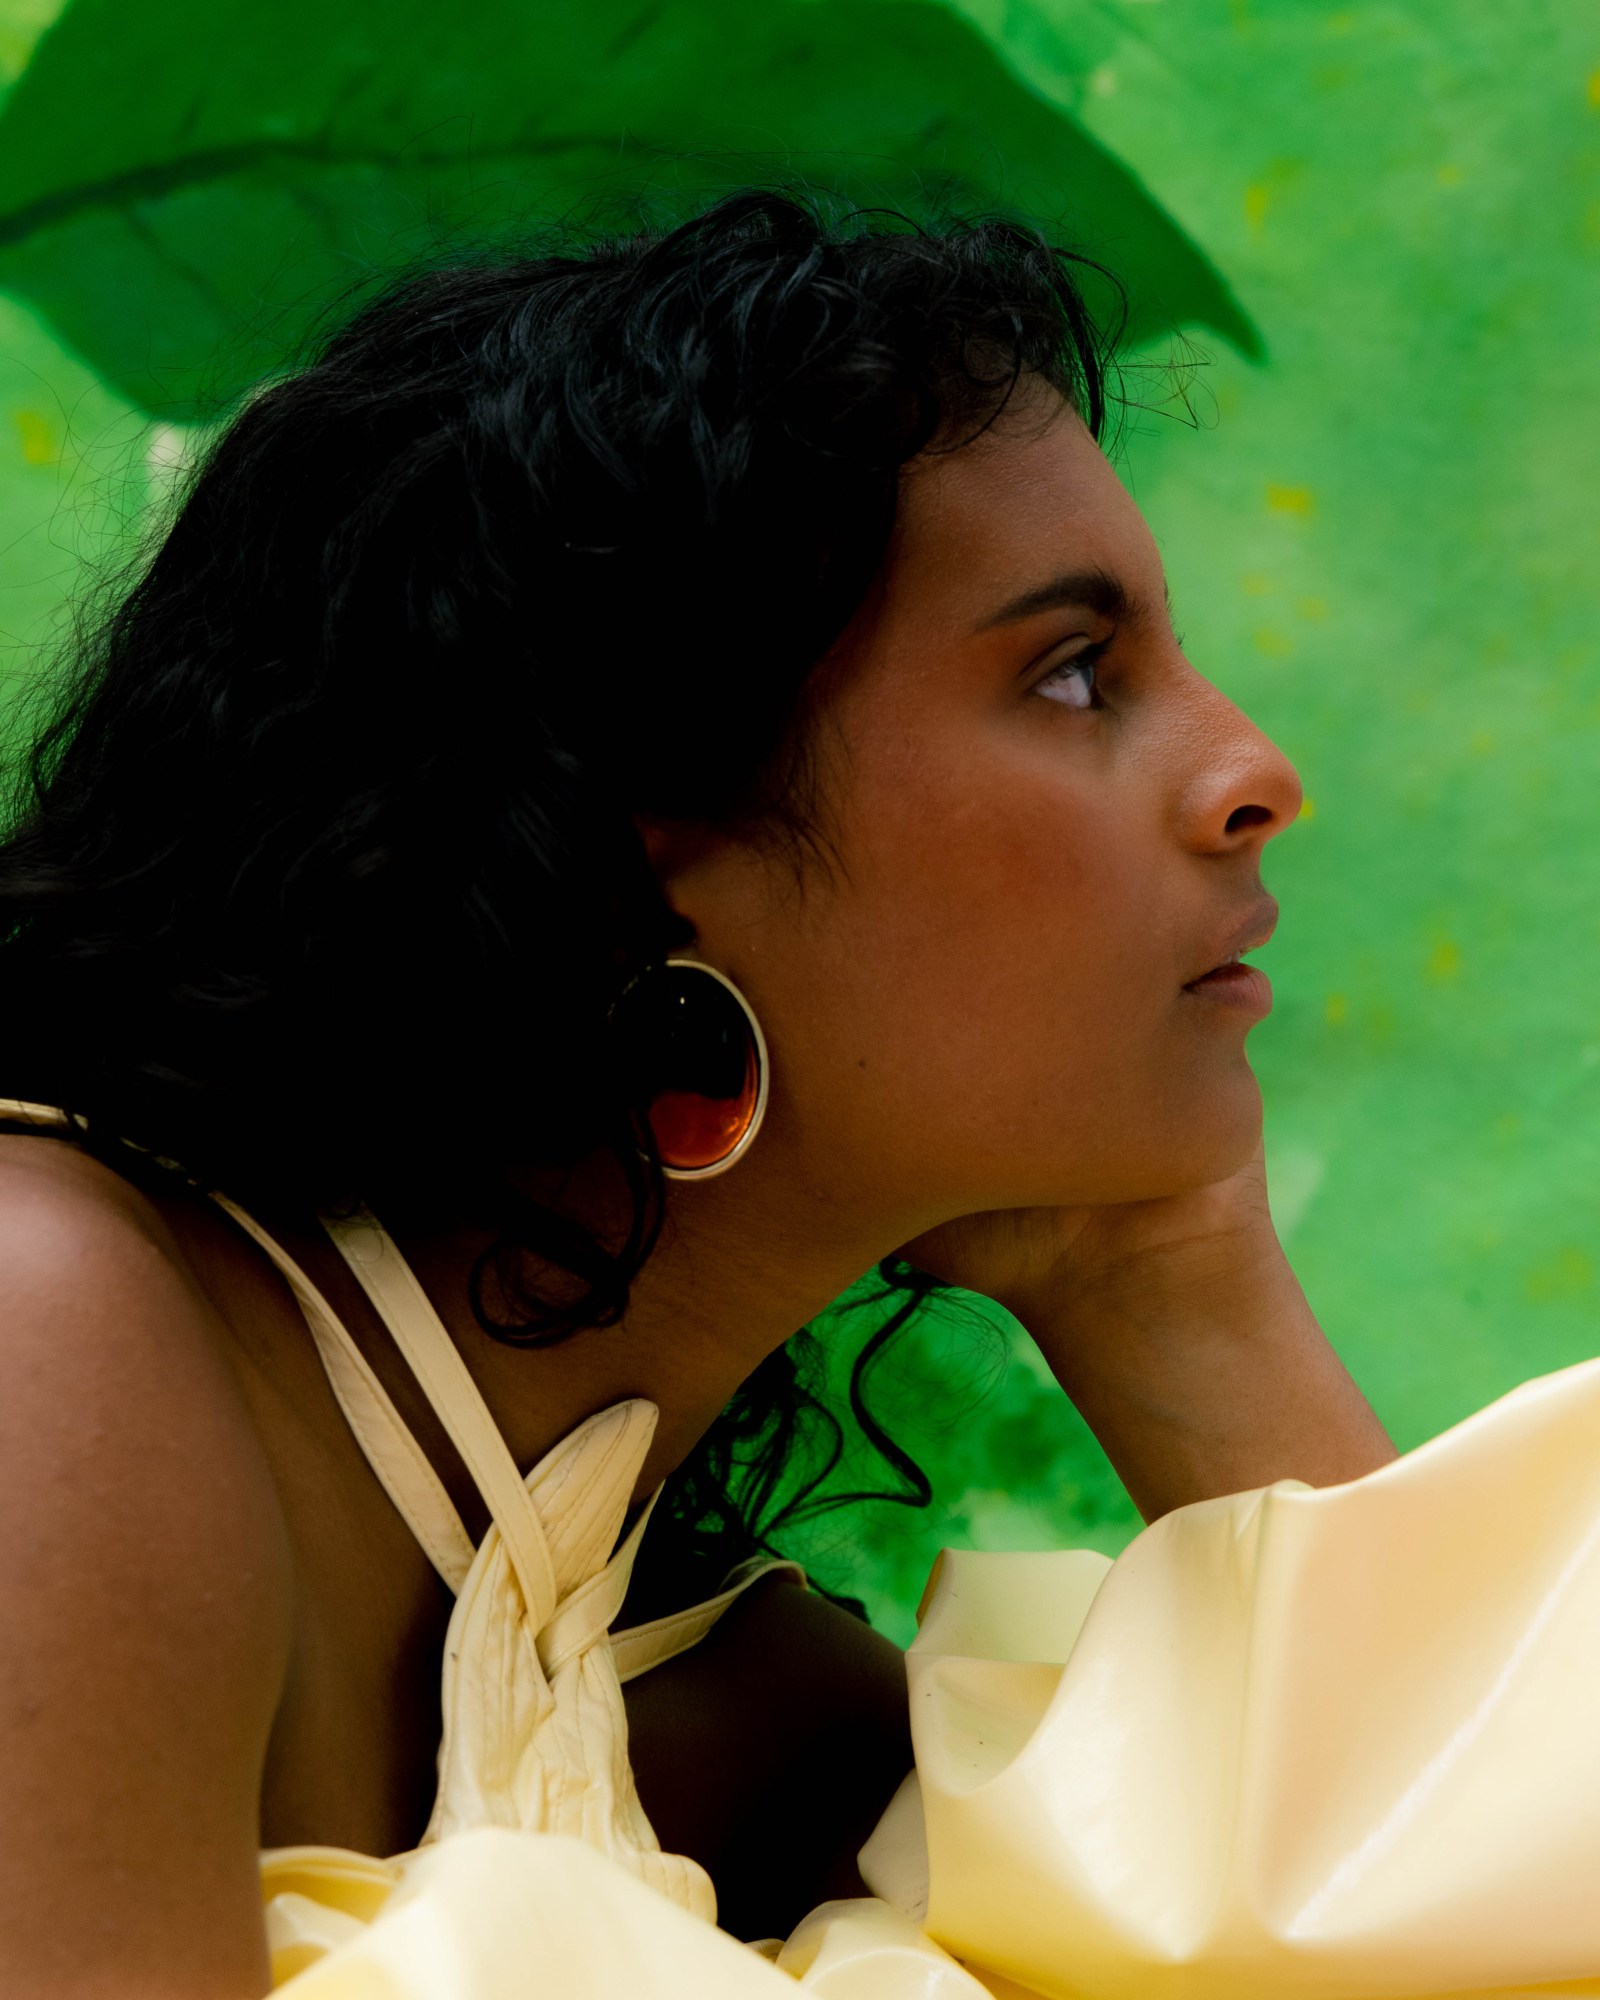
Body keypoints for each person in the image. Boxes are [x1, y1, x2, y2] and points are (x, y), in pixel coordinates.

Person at [10, 185, 1576, 2000]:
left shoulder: (725, 1707)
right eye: (1077, 674)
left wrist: (1173, 1283)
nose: (1254, 772)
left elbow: (1472, 1909)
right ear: (639, 835)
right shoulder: (45, 1334)